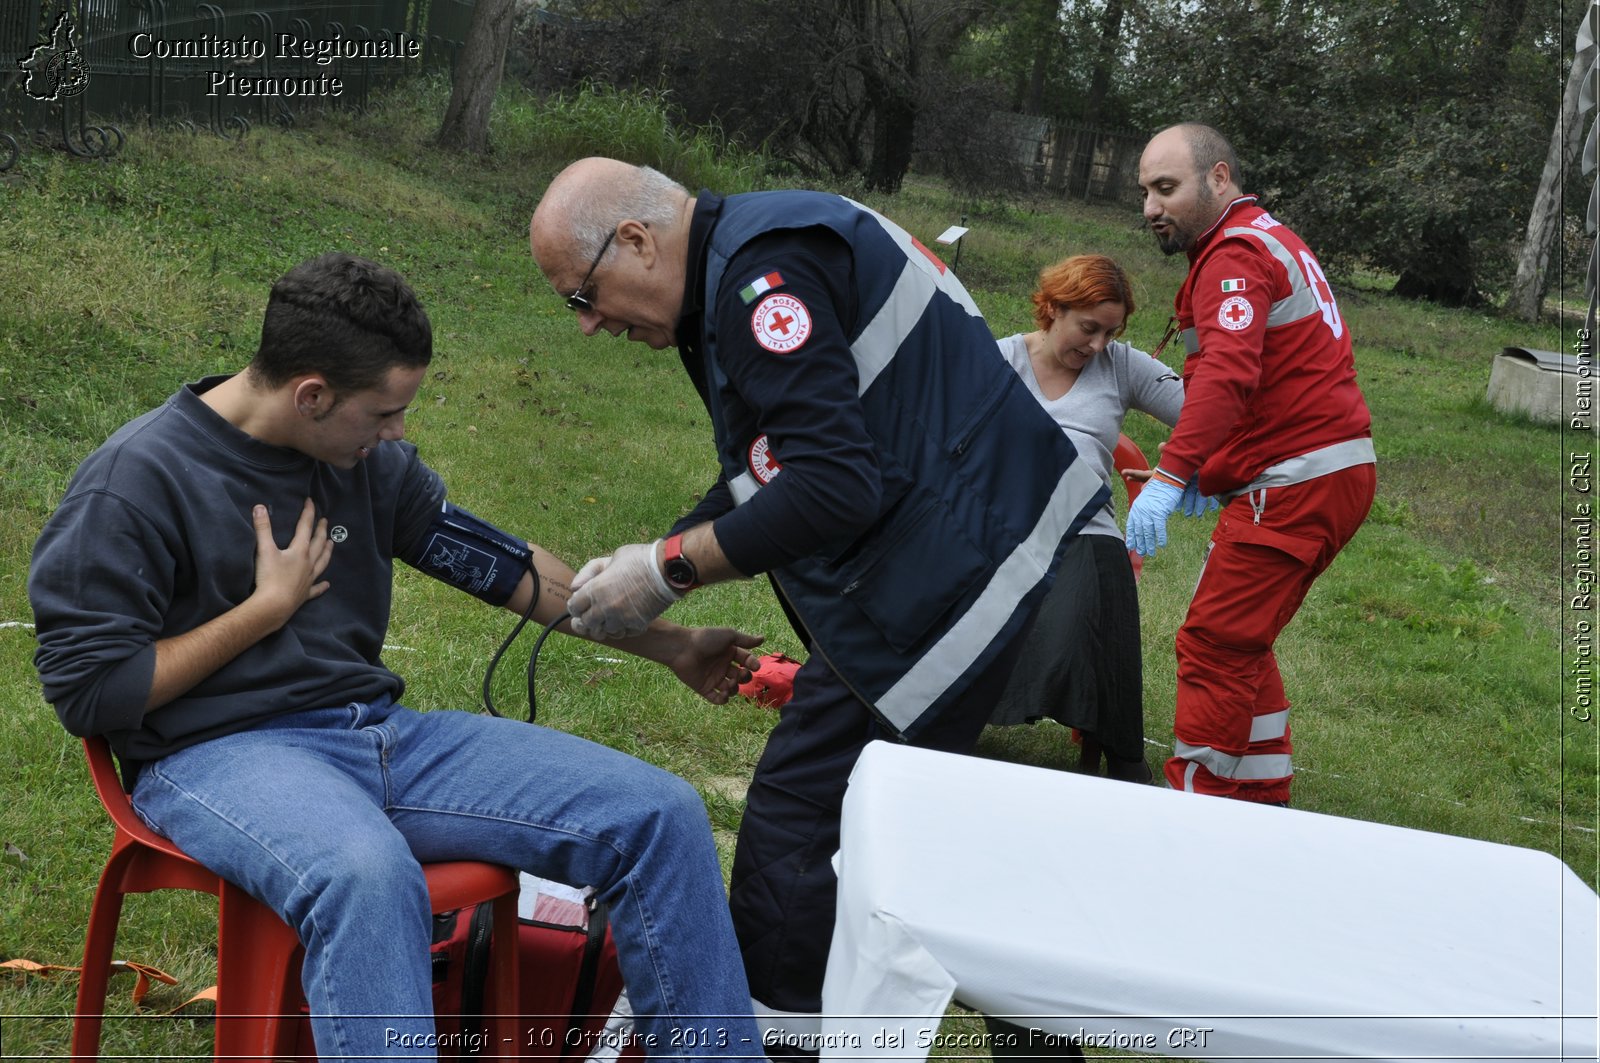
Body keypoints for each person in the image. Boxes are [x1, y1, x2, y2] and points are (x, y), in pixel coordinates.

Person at [28, 252, 768, 1060]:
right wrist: (264, 611)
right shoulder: (135, 481)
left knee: (657, 815)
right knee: (368, 874)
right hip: (214, 757)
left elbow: (508, 570)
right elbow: (93, 694)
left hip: (382, 738)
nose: (398, 433)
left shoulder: (369, 465)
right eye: (384, 412)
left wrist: (670, 645)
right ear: (312, 395)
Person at [528, 160, 1108, 1053]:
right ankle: (1044, 1033)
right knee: (929, 823)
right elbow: (783, 458)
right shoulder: (760, 248)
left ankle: (779, 1037)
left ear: (637, 241)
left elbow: (834, 487)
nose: (592, 322)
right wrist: (664, 548)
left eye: (585, 295)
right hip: (983, 545)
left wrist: (670, 570)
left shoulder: (760, 281)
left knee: (798, 833)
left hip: (959, 576)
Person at [1129, 123, 1376, 805]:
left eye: (1166, 187)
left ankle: (1197, 803)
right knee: (1241, 640)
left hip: (1298, 480)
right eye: (1146, 191)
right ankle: (1259, 798)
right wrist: (1216, 470)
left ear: (1219, 178)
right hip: (1323, 471)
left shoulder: (1234, 255)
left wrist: (1174, 475)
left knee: (1213, 644)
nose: (1151, 205)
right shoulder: (1265, 239)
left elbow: (1229, 376)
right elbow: (1272, 379)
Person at [989, 253, 1190, 784]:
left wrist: (1187, 464)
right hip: (1003, 526)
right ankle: (947, 713)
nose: (1098, 344)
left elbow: (1207, 411)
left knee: (1096, 578)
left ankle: (1123, 756)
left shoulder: (1120, 365)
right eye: (1089, 327)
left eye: (1111, 331)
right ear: (1053, 308)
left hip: (1084, 526)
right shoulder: (999, 360)